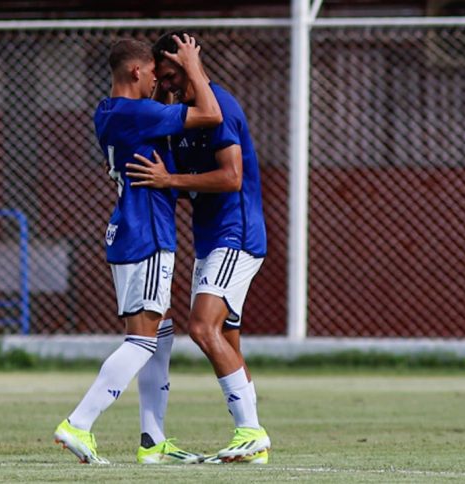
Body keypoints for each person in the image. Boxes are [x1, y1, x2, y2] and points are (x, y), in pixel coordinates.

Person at [53, 35, 222, 465]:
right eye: (152, 74)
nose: (156, 83)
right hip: (147, 234)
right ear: (135, 72)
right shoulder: (140, 112)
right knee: (142, 341)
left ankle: (153, 439)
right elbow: (210, 113)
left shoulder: (107, 112)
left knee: (158, 334)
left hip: (127, 232)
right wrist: (192, 65)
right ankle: (79, 423)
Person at [126, 31, 271, 464]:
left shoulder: (219, 106)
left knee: (202, 327)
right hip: (212, 240)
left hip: (236, 234)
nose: (167, 85)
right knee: (225, 337)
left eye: (173, 74)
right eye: (162, 78)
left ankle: (251, 432)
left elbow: (230, 178)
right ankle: (252, 440)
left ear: (191, 64)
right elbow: (176, 181)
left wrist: (170, 181)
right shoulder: (182, 116)